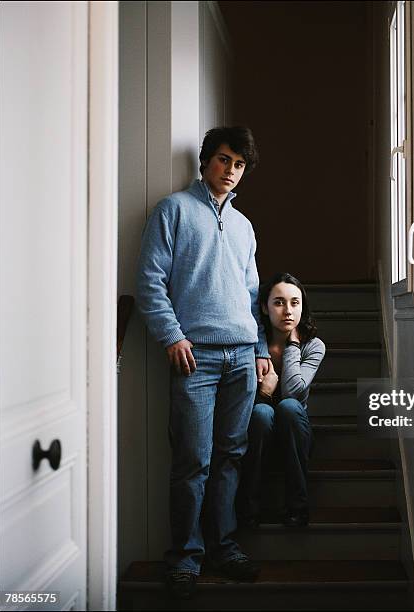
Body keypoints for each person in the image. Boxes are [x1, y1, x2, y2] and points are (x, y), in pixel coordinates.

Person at [136, 126, 271, 598]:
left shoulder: (244, 226)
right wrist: (171, 336)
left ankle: (225, 548)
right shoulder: (173, 210)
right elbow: (151, 282)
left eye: (238, 164)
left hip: (241, 358)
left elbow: (253, 296)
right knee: (192, 460)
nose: (230, 171)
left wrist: (257, 351)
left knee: (230, 457)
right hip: (196, 359)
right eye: (223, 160)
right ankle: (186, 557)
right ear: (206, 161)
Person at [237, 272, 326, 529]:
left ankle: (297, 506)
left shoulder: (313, 346)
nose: (288, 310)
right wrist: (263, 394)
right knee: (262, 413)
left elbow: (292, 391)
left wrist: (293, 345)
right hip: (256, 437)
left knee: (288, 407)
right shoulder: (250, 343)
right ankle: (249, 507)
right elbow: (242, 401)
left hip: (295, 438)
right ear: (264, 307)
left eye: (295, 303)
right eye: (278, 302)